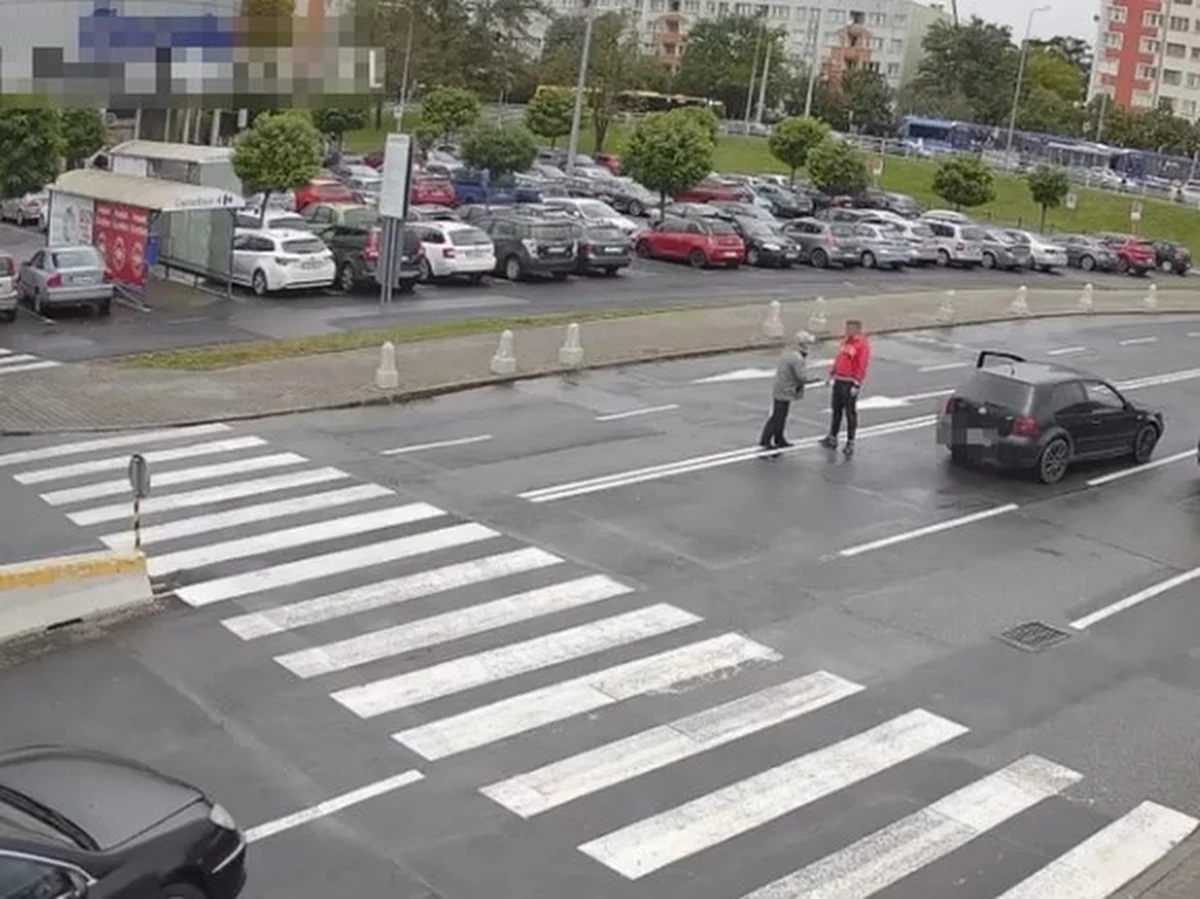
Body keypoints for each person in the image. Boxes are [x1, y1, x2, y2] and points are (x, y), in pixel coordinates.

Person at [821, 319, 871, 457]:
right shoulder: (845, 341)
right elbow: (839, 358)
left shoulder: (861, 344)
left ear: (857, 329)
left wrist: (857, 383)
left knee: (850, 413)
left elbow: (862, 364)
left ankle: (850, 441)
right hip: (839, 379)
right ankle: (833, 436)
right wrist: (832, 373)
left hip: (849, 382)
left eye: (849, 328)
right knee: (836, 410)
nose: (847, 331)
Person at [760, 331, 813, 453]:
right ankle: (767, 440)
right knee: (778, 416)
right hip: (785, 390)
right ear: (803, 344)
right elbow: (801, 377)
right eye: (808, 343)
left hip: (781, 388)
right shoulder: (797, 358)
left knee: (780, 415)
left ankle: (778, 438)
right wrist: (815, 379)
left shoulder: (789, 353)